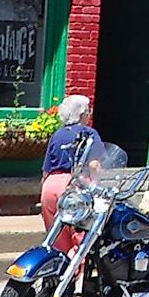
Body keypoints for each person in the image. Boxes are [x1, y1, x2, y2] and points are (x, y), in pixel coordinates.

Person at [38, 94, 96, 227]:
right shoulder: (89, 133)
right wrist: (96, 184)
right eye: (88, 111)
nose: (89, 115)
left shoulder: (57, 135)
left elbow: (46, 171)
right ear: (82, 114)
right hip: (74, 185)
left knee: (55, 236)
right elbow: (94, 165)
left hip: (50, 185)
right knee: (79, 237)